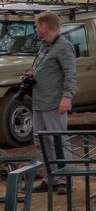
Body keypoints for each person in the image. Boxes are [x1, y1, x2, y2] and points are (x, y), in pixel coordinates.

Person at [28, 10, 76, 193]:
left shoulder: (63, 46)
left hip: (54, 102)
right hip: (39, 101)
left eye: (36, 25)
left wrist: (67, 96)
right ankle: (50, 179)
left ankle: (64, 179)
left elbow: (70, 73)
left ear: (44, 25)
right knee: (41, 141)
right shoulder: (44, 46)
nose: (36, 29)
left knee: (58, 140)